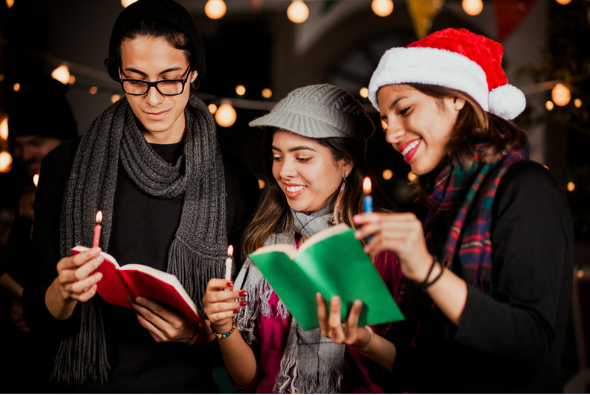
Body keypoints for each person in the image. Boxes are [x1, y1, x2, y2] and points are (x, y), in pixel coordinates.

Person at [316, 28, 575, 393]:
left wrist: (427, 270)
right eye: (386, 119)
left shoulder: (525, 187)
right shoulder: (437, 212)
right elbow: (432, 372)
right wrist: (364, 341)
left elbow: (532, 347)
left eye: (404, 109)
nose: (390, 134)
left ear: (456, 98)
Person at [22, 0, 260, 391]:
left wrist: (199, 333)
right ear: (118, 73)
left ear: (194, 71)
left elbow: (250, 334)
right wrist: (61, 292)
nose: (153, 98)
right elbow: (36, 317)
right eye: (135, 79)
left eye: (170, 79)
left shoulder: (233, 179)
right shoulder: (64, 164)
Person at [202, 83, 403, 393]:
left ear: (345, 162)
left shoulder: (386, 246)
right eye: (277, 156)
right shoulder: (268, 244)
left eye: (303, 158)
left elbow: (411, 370)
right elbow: (247, 380)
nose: (284, 171)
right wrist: (223, 327)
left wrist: (361, 338)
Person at [0, 74, 77, 392]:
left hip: (64, 346)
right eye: (18, 145)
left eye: (35, 143)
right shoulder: (7, 191)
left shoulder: (79, 191)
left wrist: (39, 307)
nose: (25, 154)